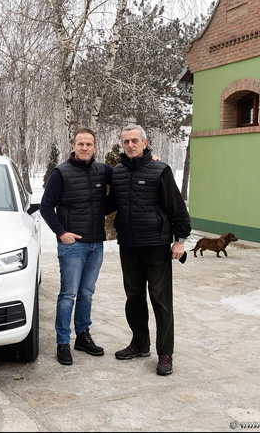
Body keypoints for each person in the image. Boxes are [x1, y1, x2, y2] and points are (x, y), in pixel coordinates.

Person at [107, 124, 191, 376]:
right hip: (129, 246)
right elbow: (107, 203)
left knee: (160, 301)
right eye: (126, 142)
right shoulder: (117, 173)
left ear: (145, 142)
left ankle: (165, 353)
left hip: (156, 247)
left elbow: (177, 207)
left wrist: (180, 239)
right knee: (133, 299)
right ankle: (140, 344)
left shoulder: (160, 170)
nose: (130, 145)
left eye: (135, 140)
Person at [40, 127, 112, 365]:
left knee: (86, 294)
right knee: (68, 295)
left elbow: (126, 175)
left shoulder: (103, 171)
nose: (84, 148)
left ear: (94, 146)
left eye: (88, 144)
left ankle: (82, 335)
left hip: (95, 245)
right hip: (73, 246)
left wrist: (149, 157)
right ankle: (63, 342)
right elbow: (46, 207)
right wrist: (62, 233)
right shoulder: (61, 173)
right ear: (74, 146)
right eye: (80, 144)